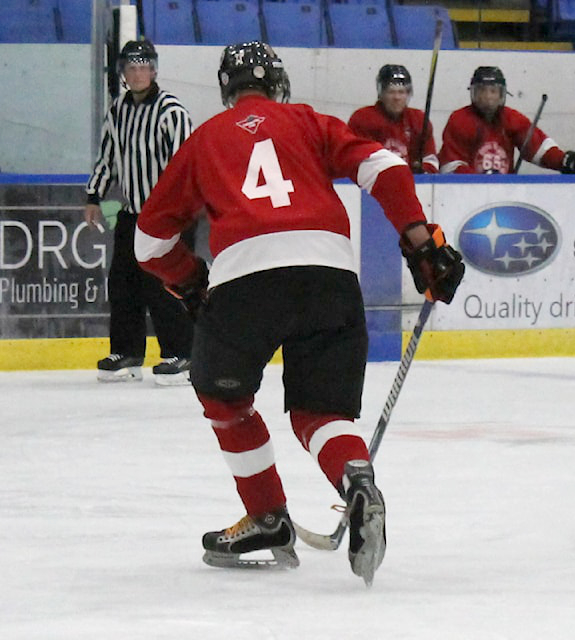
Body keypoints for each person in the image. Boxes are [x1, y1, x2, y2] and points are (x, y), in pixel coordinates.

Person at [134, 42, 464, 584]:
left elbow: (148, 242)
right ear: (277, 82)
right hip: (330, 276)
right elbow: (383, 167)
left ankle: (267, 516)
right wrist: (419, 240)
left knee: (224, 398)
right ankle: (356, 480)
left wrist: (191, 280)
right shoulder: (309, 121)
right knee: (321, 413)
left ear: (227, 88)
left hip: (246, 282)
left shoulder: (205, 140)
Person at [84, 39, 194, 385]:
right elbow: (108, 159)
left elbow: (184, 165)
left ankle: (183, 353)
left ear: (154, 70)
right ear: (123, 73)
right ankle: (127, 352)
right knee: (123, 284)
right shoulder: (118, 110)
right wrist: (93, 196)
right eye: (131, 67)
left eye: (144, 66)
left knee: (165, 285)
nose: (138, 72)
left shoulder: (171, 111)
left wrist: (175, 212)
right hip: (133, 214)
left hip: (168, 215)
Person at [438, 66, 575, 177]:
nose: (488, 97)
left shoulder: (512, 118)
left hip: (505, 193)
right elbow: (450, 166)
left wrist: (564, 160)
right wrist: (481, 181)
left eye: (493, 91)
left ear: (502, 94)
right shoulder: (459, 120)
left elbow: (539, 149)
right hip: (465, 194)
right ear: (473, 93)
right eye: (481, 91)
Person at [348, 64, 439, 174]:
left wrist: (423, 170)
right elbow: (356, 160)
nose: (397, 97)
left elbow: (430, 160)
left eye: (401, 92)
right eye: (391, 92)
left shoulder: (419, 120)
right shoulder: (363, 119)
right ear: (381, 94)